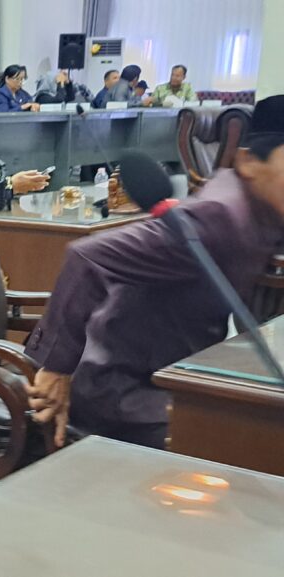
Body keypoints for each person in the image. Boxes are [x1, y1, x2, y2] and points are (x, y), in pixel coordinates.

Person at [25, 95, 284, 449]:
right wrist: (56, 367)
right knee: (242, 441)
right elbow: (87, 257)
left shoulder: (258, 203)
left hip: (172, 372)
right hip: (122, 387)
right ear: (249, 161)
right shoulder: (220, 216)